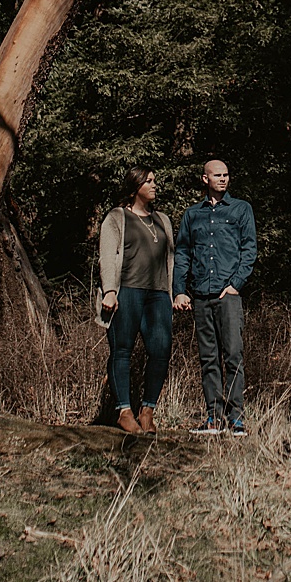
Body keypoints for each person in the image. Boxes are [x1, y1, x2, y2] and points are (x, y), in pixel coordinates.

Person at [173, 159, 256, 436]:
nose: (223, 179)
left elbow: (249, 249)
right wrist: (180, 290)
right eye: (217, 175)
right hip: (200, 295)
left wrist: (236, 284)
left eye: (226, 175)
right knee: (208, 358)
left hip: (227, 295)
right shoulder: (192, 215)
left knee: (233, 354)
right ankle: (213, 419)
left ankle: (236, 420)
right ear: (204, 178)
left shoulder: (241, 209)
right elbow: (183, 252)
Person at [97, 168, 175, 434]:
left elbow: (170, 260)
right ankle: (124, 411)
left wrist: (172, 294)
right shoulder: (117, 217)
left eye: (155, 180)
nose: (155, 185)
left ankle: (148, 410)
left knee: (161, 350)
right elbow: (107, 256)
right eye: (149, 181)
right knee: (122, 350)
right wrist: (109, 290)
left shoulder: (162, 220)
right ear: (135, 186)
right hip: (127, 291)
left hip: (158, 294)